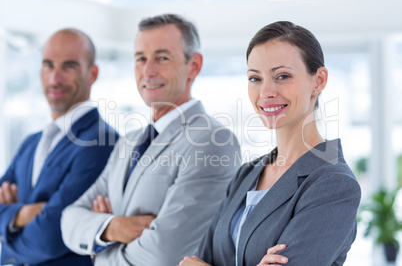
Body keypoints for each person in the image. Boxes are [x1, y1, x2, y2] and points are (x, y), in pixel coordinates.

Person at [61, 14, 241, 266]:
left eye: (162, 58)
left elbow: (164, 256)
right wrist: (111, 227)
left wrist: (99, 250)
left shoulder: (213, 141)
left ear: (194, 66)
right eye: (140, 59)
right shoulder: (128, 142)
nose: (147, 71)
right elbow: (69, 219)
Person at [179, 21, 361, 266]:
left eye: (282, 76)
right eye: (255, 78)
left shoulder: (334, 184)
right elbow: (201, 257)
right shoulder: (248, 173)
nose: (266, 92)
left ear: (318, 81)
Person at [0, 29, 118, 265]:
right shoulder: (31, 142)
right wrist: (24, 214)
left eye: (69, 66)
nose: (55, 78)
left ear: (92, 73)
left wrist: (9, 224)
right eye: (48, 65)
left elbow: (50, 238)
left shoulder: (102, 142)